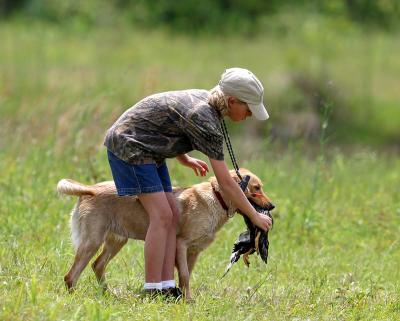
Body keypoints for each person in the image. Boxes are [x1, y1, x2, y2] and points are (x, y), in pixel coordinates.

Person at [104, 67, 273, 299]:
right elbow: (225, 181)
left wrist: (183, 156)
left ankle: (166, 285)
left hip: (149, 148)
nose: (250, 115)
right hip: (129, 144)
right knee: (162, 215)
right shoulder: (205, 118)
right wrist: (254, 216)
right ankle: (153, 290)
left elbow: (168, 123)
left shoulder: (210, 102)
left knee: (173, 213)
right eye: (249, 109)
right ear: (232, 101)